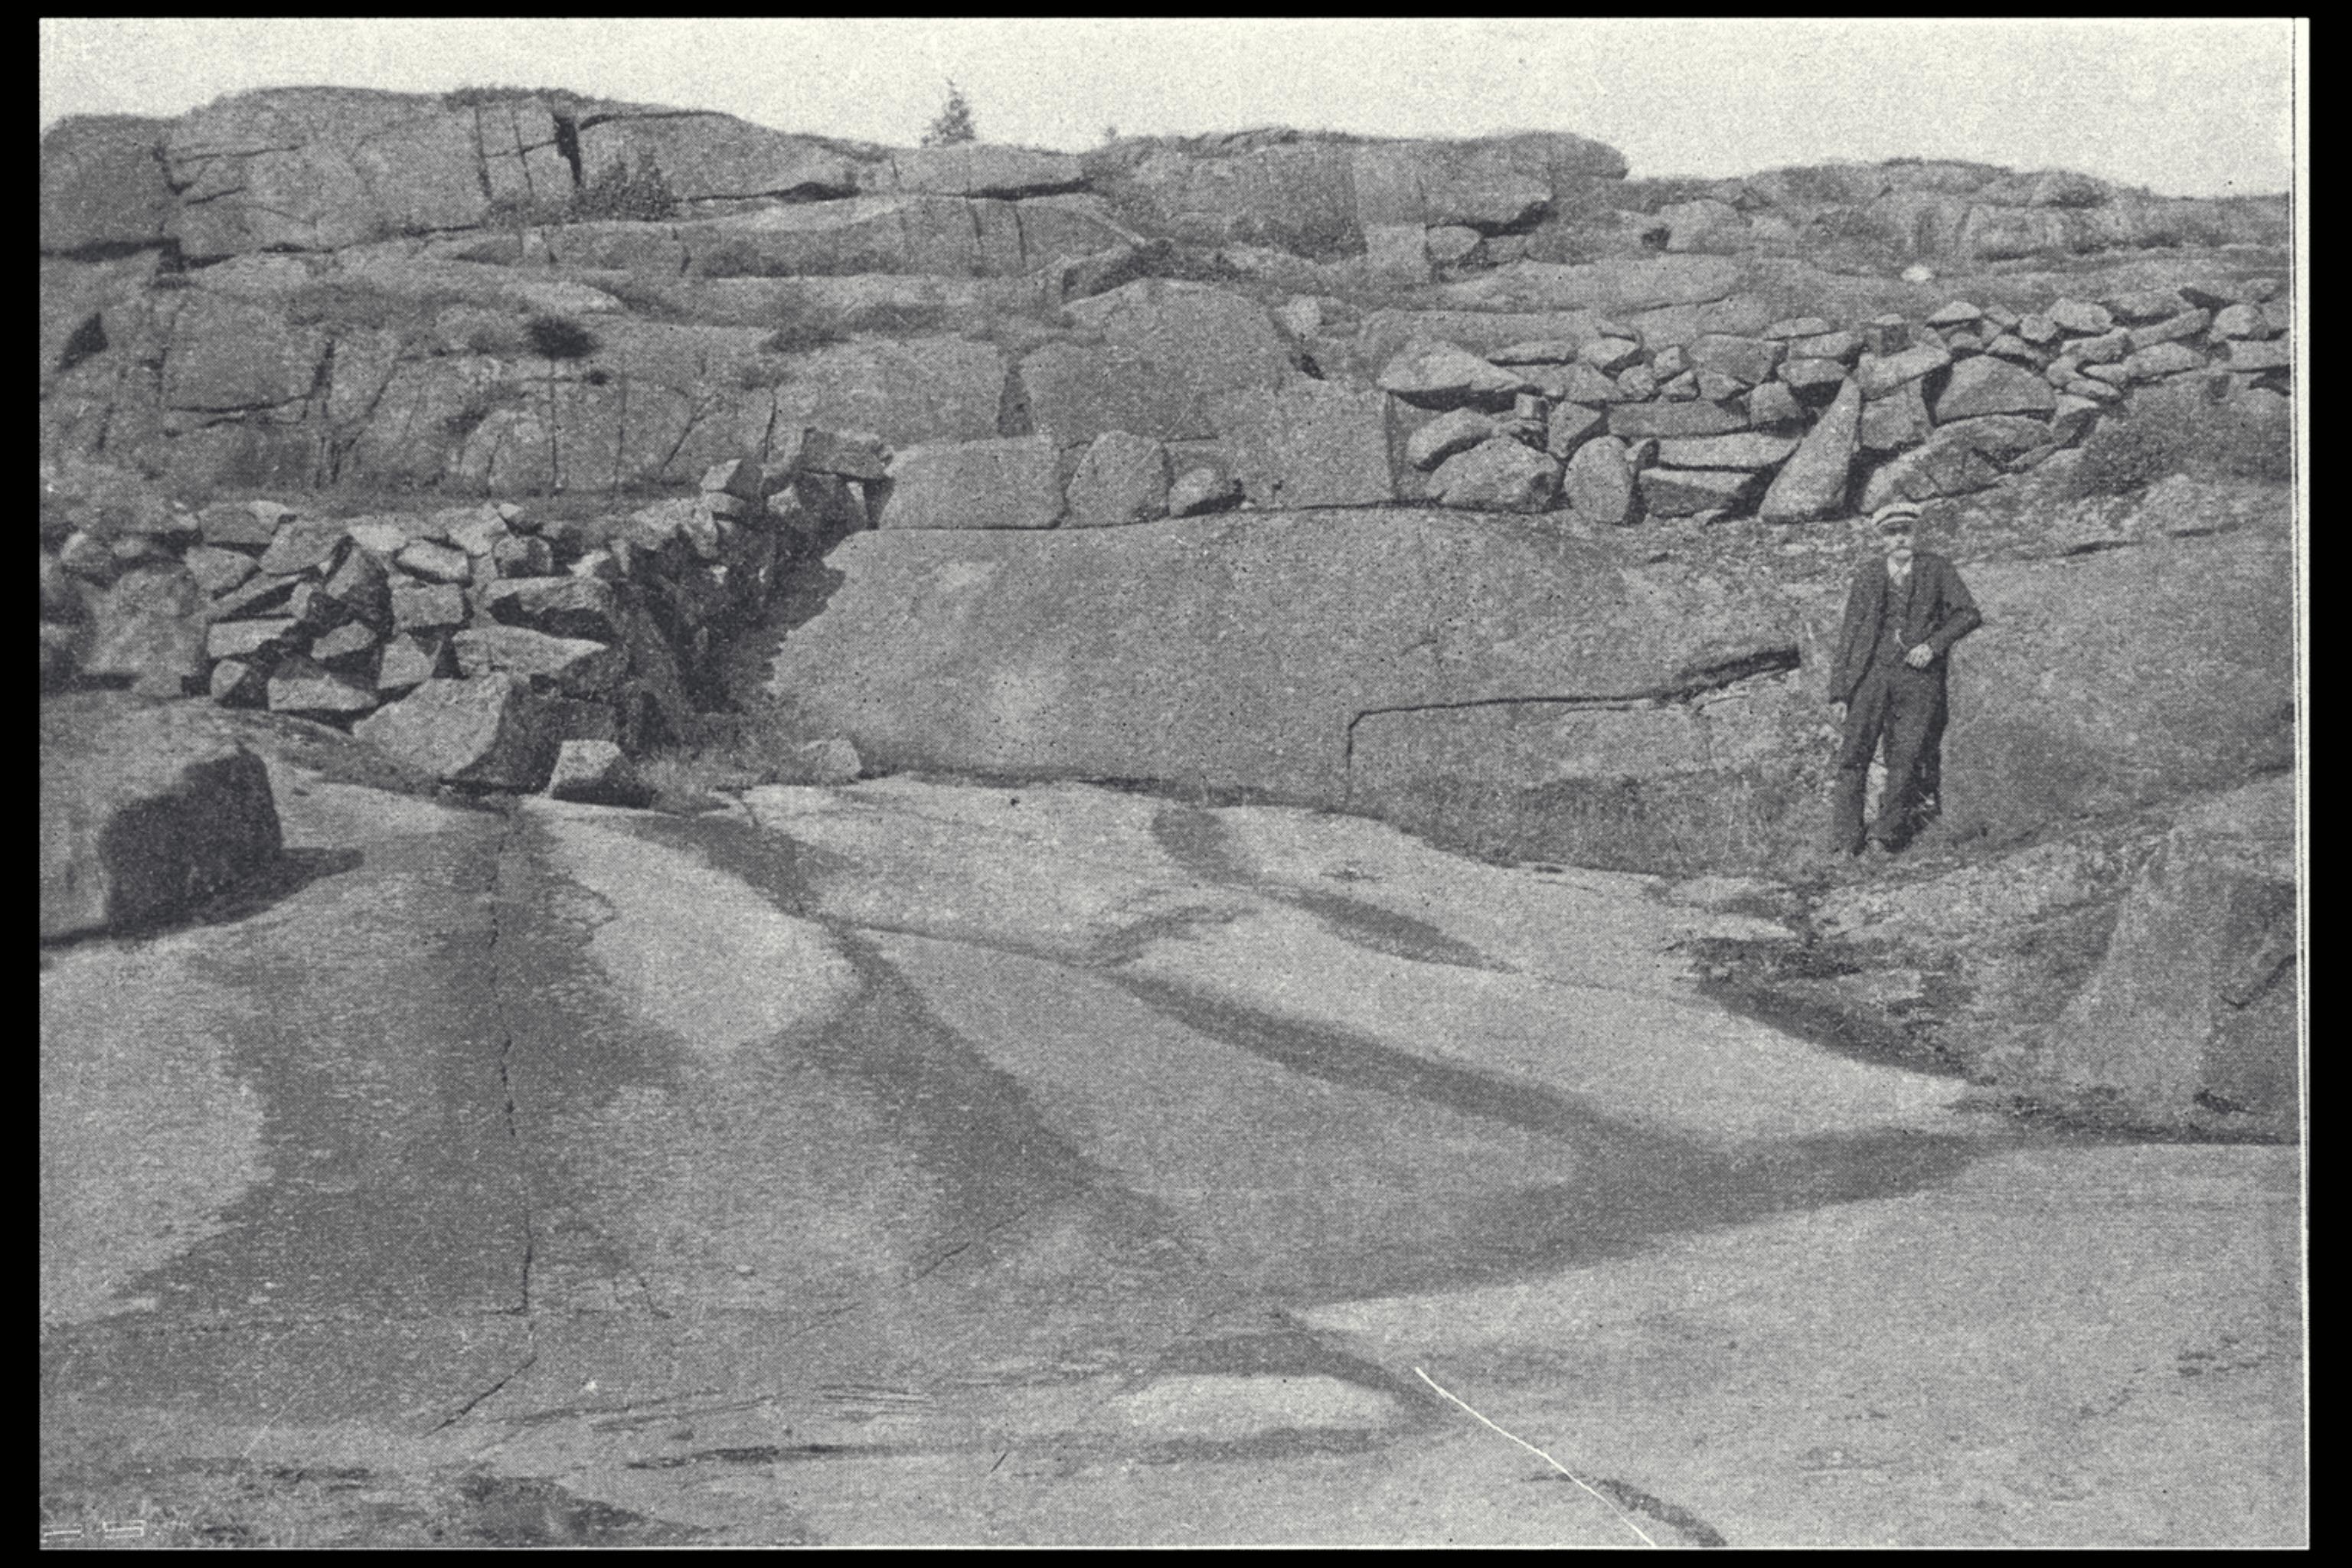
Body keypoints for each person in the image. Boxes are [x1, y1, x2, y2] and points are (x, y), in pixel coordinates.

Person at [1825, 501, 1981, 857]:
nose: (1899, 539)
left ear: (1915, 533)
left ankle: (1886, 836)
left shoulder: (1936, 569)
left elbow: (1968, 613)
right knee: (1853, 755)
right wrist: (1840, 691)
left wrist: (1933, 646)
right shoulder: (1868, 574)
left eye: (1905, 531)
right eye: (1891, 533)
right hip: (1871, 675)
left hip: (1917, 679)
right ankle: (1845, 841)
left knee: (1906, 756)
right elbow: (1849, 633)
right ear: (1881, 538)